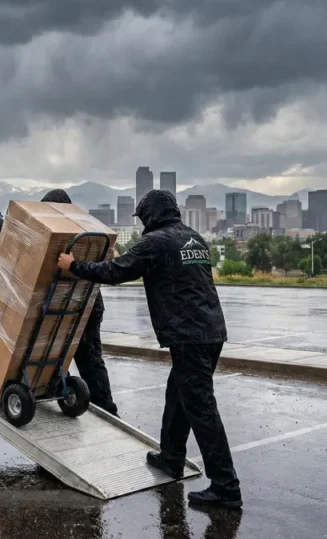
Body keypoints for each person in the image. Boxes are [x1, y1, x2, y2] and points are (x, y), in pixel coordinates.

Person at [56, 189, 241, 509]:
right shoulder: (194, 238)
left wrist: (74, 266)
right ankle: (171, 457)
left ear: (152, 215)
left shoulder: (157, 242)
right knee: (179, 395)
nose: (142, 225)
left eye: (143, 219)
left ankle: (226, 486)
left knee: (200, 408)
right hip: (211, 332)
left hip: (189, 337)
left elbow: (115, 272)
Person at [40, 188, 118, 416]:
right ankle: (95, 403)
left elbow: (111, 257)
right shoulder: (91, 228)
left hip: (80, 303)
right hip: (85, 302)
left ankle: (106, 409)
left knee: (86, 355)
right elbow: (112, 254)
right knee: (84, 354)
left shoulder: (70, 232)